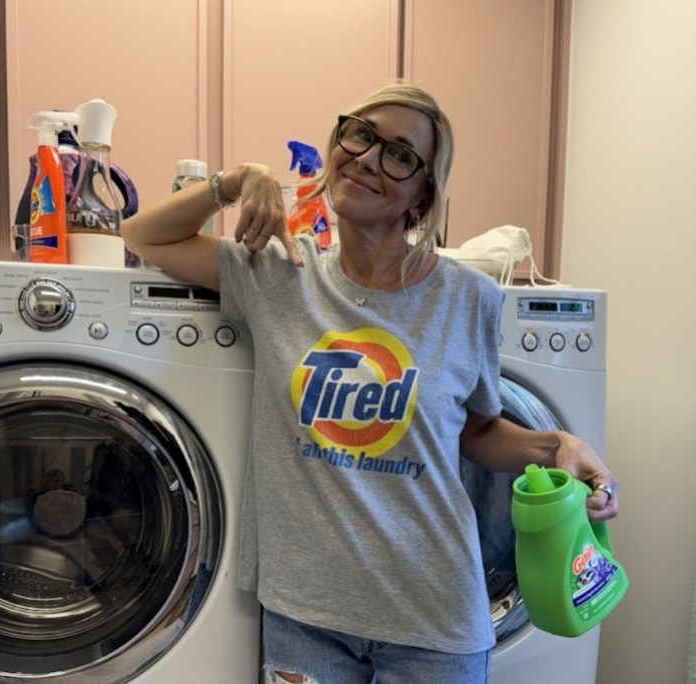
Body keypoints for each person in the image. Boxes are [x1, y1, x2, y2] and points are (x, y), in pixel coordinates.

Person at [122, 82, 620, 684]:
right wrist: (236, 180)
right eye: (360, 134)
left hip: (434, 621)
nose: (366, 158)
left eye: (400, 154)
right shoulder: (278, 276)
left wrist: (557, 446)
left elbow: (479, 430)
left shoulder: (470, 300)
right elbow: (144, 236)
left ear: (421, 196)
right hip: (305, 617)